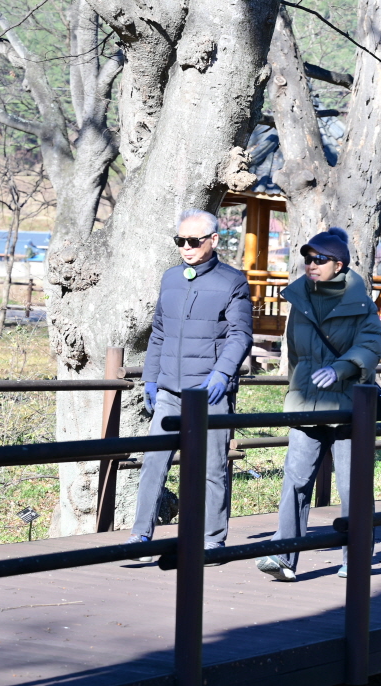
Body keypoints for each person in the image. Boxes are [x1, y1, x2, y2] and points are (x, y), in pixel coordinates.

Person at [255, 227, 381, 582]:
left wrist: (341, 369)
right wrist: (296, 390)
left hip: (349, 407)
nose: (311, 265)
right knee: (295, 482)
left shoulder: (361, 303)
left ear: (338, 265)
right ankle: (283, 557)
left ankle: (356, 556)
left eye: (320, 259)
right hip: (306, 404)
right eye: (308, 259)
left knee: (352, 487)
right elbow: (296, 355)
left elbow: (371, 346)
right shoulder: (299, 301)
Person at [127, 210, 253, 560]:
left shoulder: (233, 281)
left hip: (210, 393)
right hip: (169, 390)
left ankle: (212, 540)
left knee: (211, 467)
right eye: (180, 240)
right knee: (154, 463)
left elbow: (240, 335)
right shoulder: (170, 278)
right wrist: (151, 378)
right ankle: (140, 536)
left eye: (193, 241)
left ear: (213, 240)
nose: (186, 247)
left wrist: (223, 374)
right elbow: (159, 332)